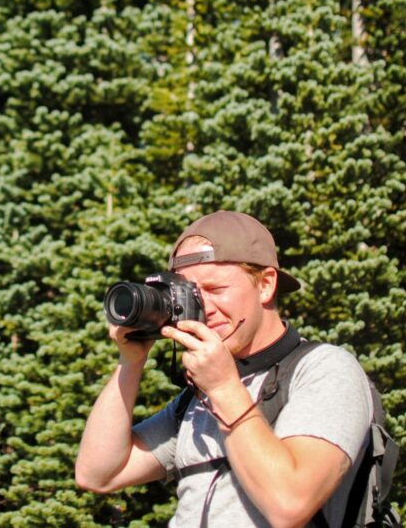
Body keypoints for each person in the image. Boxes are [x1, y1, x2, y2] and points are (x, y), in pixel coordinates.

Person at [75, 210, 373, 528]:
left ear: (266, 285)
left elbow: (290, 505)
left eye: (216, 290)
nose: (206, 308)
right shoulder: (197, 398)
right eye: (191, 294)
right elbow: (98, 473)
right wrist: (131, 363)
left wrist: (223, 389)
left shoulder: (323, 370)